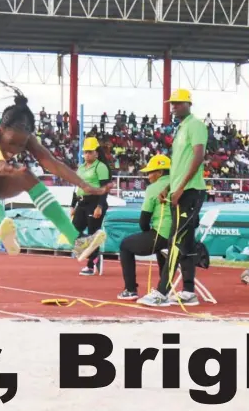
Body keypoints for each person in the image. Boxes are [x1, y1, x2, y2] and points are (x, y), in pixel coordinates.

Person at [0, 82, 110, 260]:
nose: (15, 149)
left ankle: (77, 241)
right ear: (0, 130)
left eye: (21, 145)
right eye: (11, 142)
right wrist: (0, 163)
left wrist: (84, 185)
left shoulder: (25, 137)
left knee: (26, 175)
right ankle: (2, 225)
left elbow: (52, 163)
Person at [137, 89, 208, 307]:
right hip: (179, 190)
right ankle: (188, 291)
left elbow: (198, 156)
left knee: (175, 241)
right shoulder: (181, 129)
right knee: (184, 242)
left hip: (190, 191)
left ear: (188, 103)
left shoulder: (195, 125)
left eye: (178, 103)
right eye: (172, 104)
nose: (173, 107)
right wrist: (169, 186)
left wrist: (181, 187)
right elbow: (179, 165)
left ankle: (161, 292)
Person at [117, 155, 172, 300]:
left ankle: (130, 289)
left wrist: (147, 233)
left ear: (160, 172)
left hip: (163, 234)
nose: (148, 176)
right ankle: (165, 288)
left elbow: (143, 221)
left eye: (150, 172)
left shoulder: (153, 188)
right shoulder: (178, 183)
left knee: (125, 245)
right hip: (179, 236)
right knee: (161, 247)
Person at [70, 137, 111, 276]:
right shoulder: (81, 168)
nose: (87, 154)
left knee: (94, 232)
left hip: (95, 202)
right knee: (73, 231)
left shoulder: (101, 167)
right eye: (85, 152)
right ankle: (95, 254)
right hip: (82, 202)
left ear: (96, 153)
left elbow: (105, 189)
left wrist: (100, 206)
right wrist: (72, 205)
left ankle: (90, 265)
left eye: (90, 152)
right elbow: (77, 187)